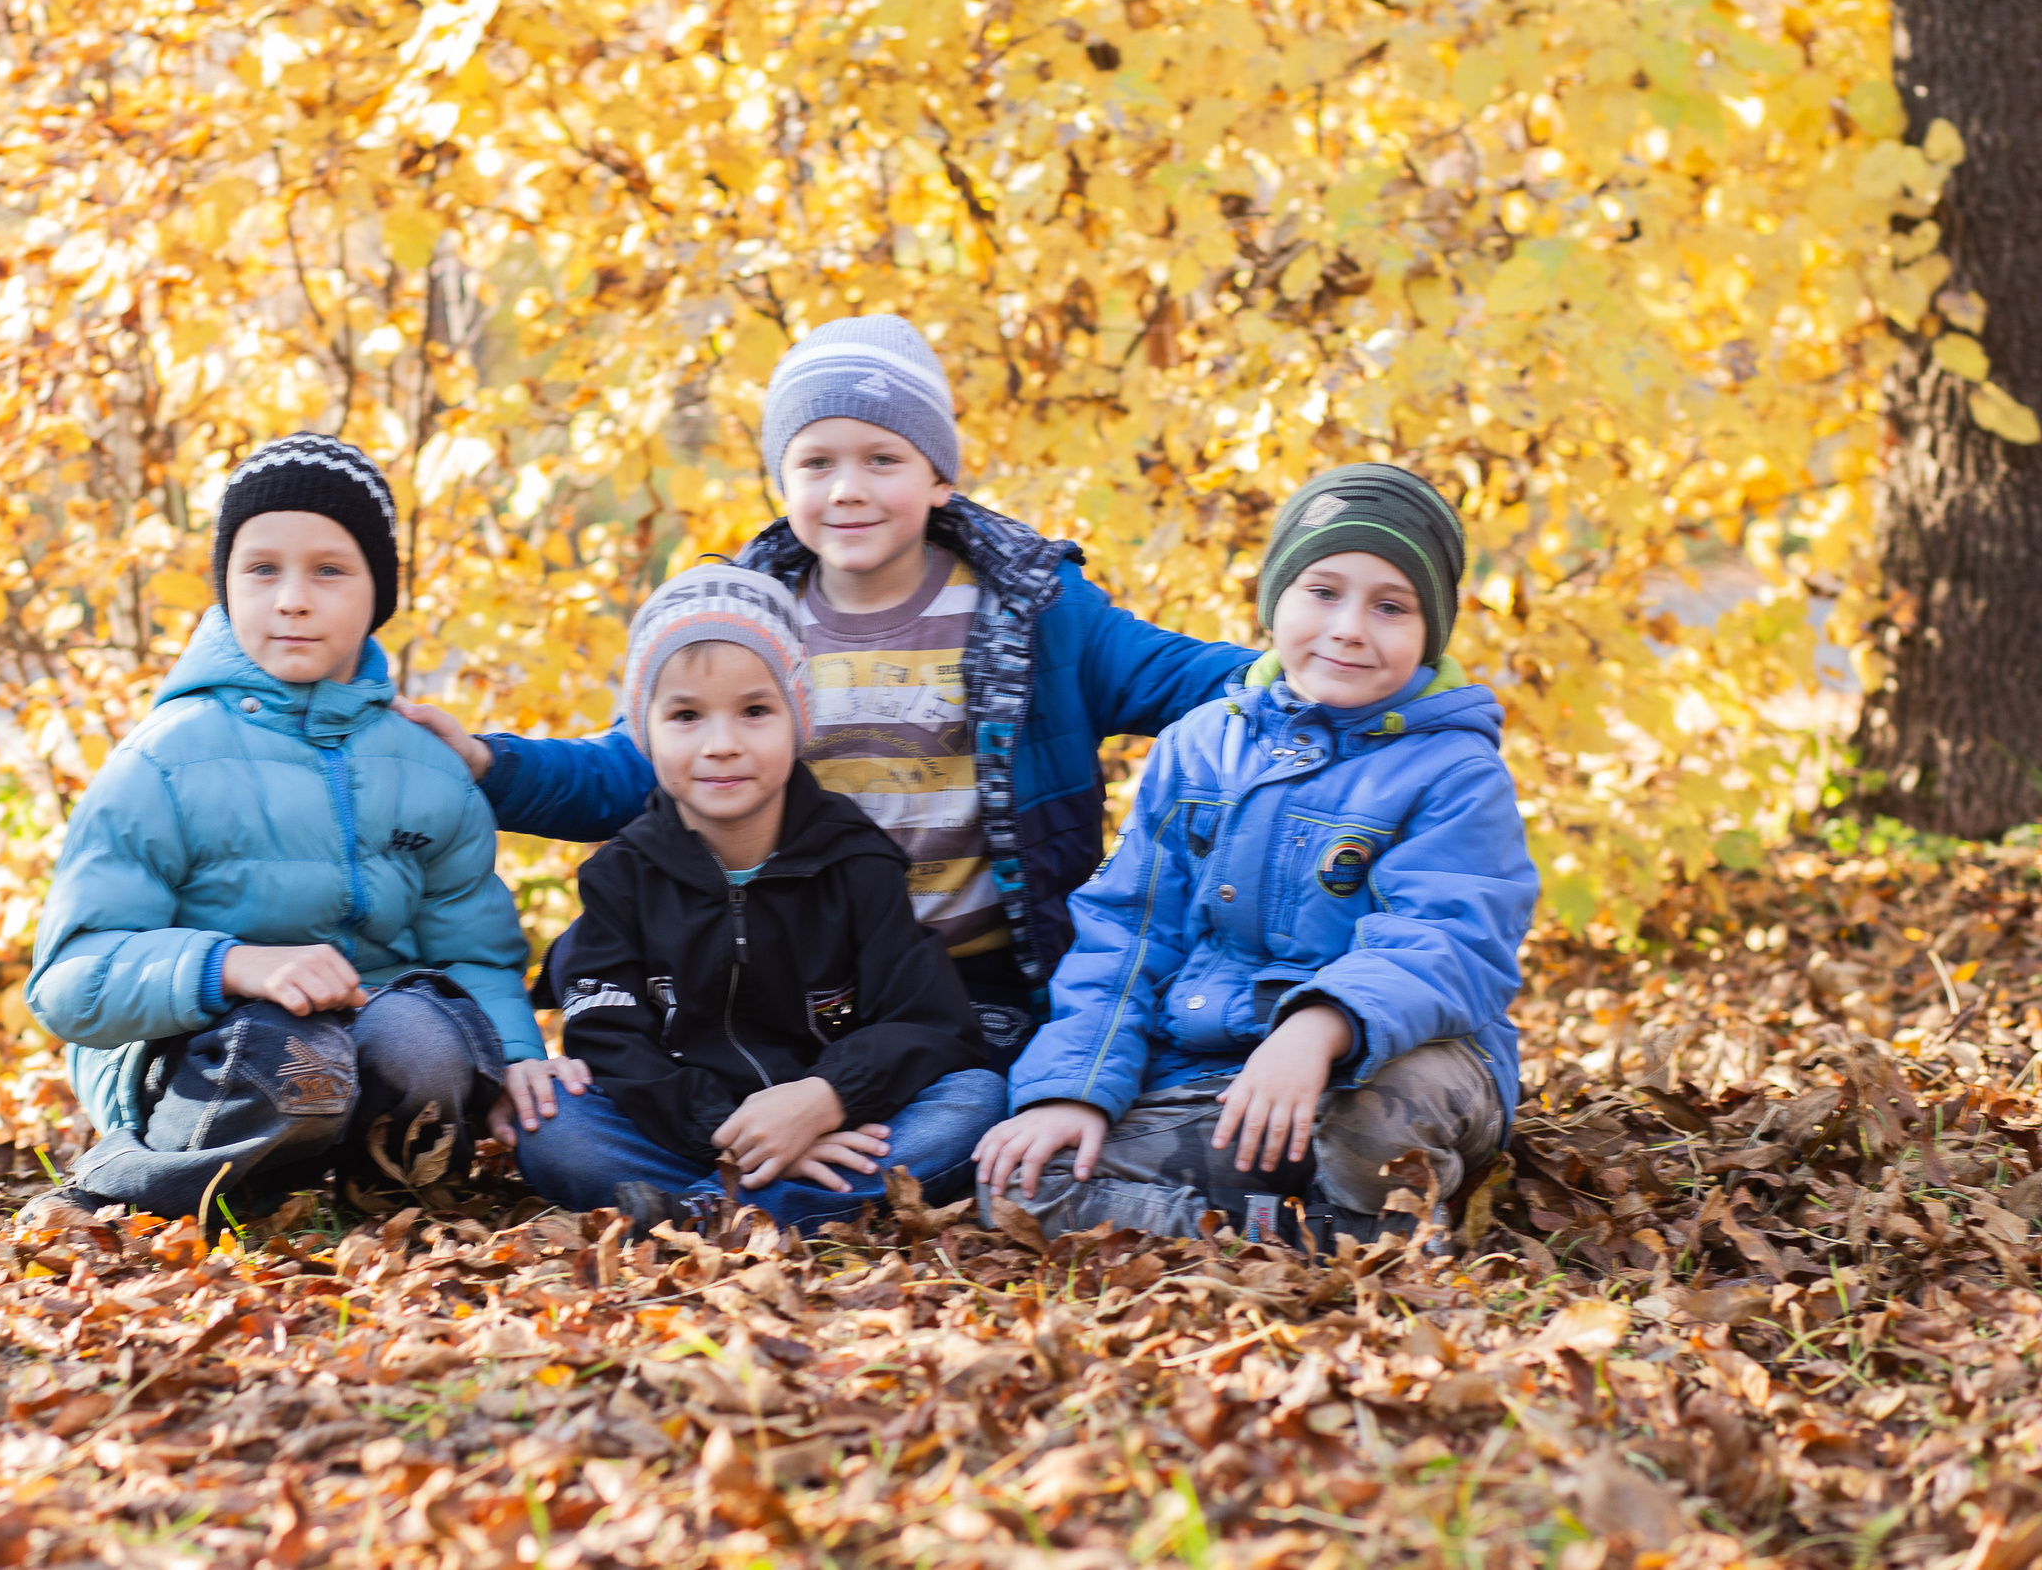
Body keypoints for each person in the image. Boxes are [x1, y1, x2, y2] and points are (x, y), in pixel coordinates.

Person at [400, 315, 1257, 1066]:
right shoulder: (744, 620)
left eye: (883, 458)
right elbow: (632, 768)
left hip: (979, 980)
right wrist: (488, 764)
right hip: (790, 980)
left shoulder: (1035, 613)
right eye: (817, 462)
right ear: (784, 482)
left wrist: (1312, 662)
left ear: (939, 478)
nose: (848, 488)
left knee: (966, 1113)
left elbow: (1197, 680)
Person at [24, 434, 589, 1224]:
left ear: (377, 592)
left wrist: (518, 1055)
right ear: (225, 585)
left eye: (329, 570)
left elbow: (473, 949)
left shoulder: (427, 767)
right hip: (201, 1049)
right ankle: (141, 1184)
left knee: (424, 1036)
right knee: (288, 1051)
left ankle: (380, 1195)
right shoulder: (165, 761)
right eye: (262, 568)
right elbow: (68, 980)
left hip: (363, 1038)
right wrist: (233, 965)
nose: (292, 598)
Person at [973, 464, 1537, 1248]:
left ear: (1429, 630)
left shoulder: (1454, 770)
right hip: (1219, 1083)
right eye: (1323, 591)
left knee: (1375, 1124)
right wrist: (1073, 1087)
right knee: (1027, 1183)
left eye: (1391, 606)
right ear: (1275, 599)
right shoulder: (1199, 746)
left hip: (1394, 1066)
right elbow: (1128, 934)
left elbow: (1448, 939)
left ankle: (1373, 1225)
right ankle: (1300, 1239)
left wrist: (1320, 1026)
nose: (1349, 627)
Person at [510, 564, 1005, 1235]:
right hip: (684, 1127)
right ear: (646, 731)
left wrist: (825, 1099)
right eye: (686, 715)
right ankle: (757, 1200)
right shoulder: (621, 875)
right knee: (554, 1125)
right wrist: (730, 1134)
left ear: (798, 717)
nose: (722, 745)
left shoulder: (855, 859)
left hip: (835, 1119)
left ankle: (708, 1212)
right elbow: (612, 1040)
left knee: (974, 1098)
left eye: (754, 711)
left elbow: (927, 1019)